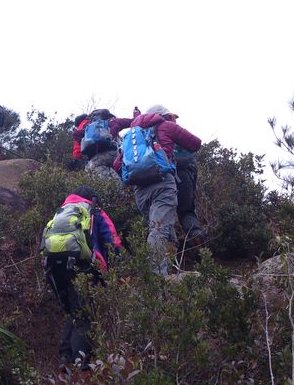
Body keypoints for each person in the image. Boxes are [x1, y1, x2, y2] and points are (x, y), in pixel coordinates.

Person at [40, 186, 122, 371]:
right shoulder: (94, 211)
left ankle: (65, 357)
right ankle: (79, 362)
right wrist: (116, 268)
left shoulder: (60, 212)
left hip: (55, 267)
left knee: (72, 310)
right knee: (83, 312)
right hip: (84, 265)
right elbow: (113, 241)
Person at [115, 105, 201, 275]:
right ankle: (157, 281)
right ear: (161, 115)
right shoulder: (166, 126)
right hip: (162, 184)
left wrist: (139, 173)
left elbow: (117, 164)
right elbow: (195, 143)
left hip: (140, 191)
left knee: (162, 228)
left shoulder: (131, 135)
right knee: (159, 231)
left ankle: (169, 271)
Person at [162, 112, 206, 248]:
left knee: (163, 214)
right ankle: (196, 236)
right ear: (169, 118)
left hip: (164, 178)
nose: (175, 119)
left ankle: (169, 248)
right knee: (186, 211)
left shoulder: (154, 134)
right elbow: (194, 149)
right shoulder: (176, 132)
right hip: (185, 177)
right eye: (173, 117)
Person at [77, 109, 132, 180]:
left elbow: (76, 134)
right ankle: (124, 187)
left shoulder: (89, 128)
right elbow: (133, 121)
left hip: (96, 158)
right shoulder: (114, 122)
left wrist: (83, 143)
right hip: (114, 154)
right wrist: (137, 114)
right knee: (122, 173)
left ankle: (113, 188)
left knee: (99, 179)